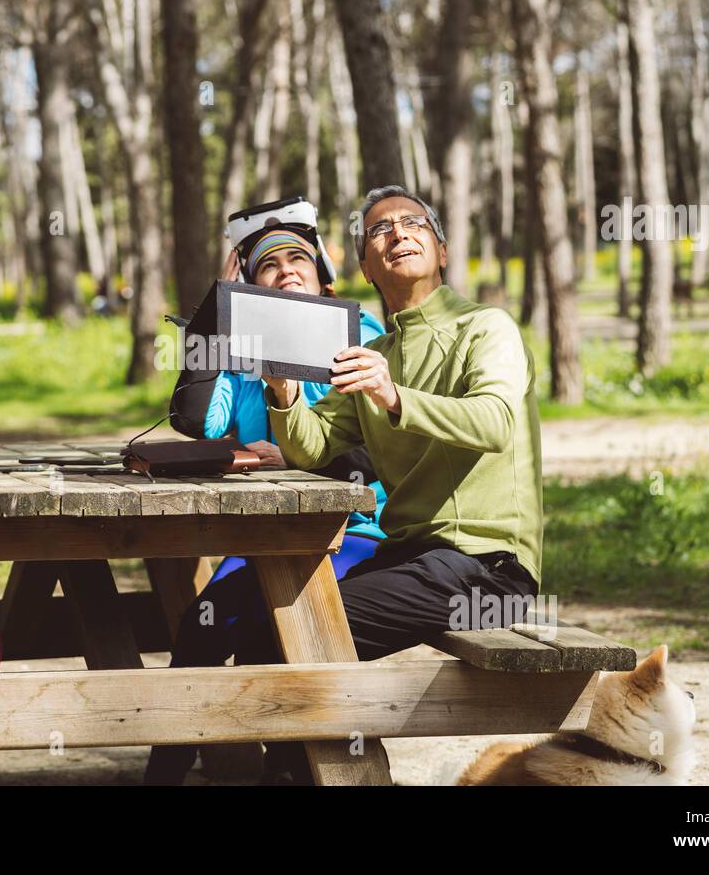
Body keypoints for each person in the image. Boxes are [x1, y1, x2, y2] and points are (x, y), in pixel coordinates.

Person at [149, 185, 543, 785]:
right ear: (364, 264)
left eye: (413, 224)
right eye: (380, 230)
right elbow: (312, 444)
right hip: (410, 559)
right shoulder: (376, 348)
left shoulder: (485, 327)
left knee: (289, 643)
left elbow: (496, 422)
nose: (398, 233)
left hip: (487, 570)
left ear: (441, 249)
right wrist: (282, 392)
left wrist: (392, 396)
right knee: (264, 633)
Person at [146, 206, 386, 784]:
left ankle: (291, 771)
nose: (284, 271)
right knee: (201, 626)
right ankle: (164, 775)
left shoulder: (364, 332)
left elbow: (383, 442)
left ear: (322, 271)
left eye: (296, 259)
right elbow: (195, 418)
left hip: (358, 532)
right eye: (267, 266)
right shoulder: (240, 352)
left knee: (279, 635)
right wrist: (217, 304)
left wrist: (307, 453)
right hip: (267, 535)